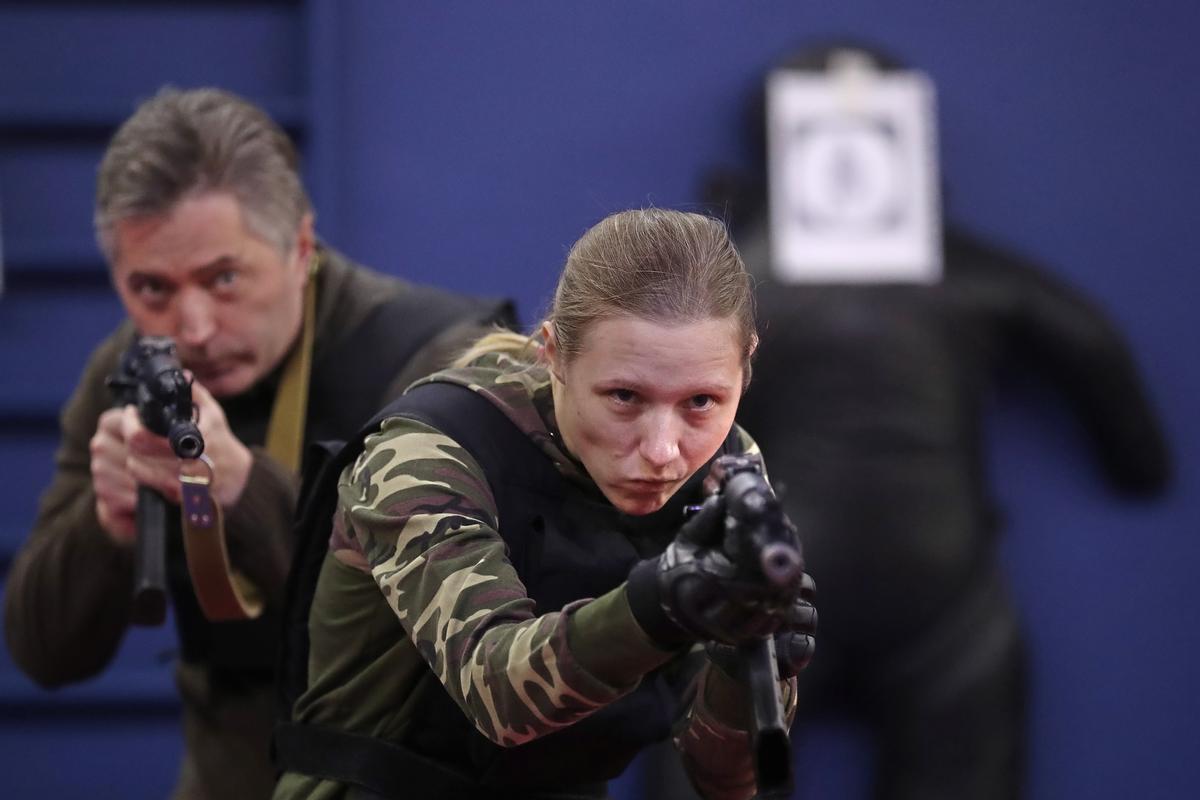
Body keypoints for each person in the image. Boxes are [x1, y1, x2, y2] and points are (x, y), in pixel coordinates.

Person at [3, 87, 516, 800]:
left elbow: (447, 645)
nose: (194, 327)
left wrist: (244, 489)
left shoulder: (434, 360)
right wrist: (107, 524)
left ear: (300, 247)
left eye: (224, 278)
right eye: (151, 288)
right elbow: (43, 651)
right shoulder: (130, 372)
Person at [271, 208, 818, 800]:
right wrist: (662, 602)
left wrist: (743, 663)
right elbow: (501, 697)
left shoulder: (726, 467)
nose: (663, 452)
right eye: (625, 397)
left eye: (703, 401)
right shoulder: (425, 452)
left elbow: (726, 779)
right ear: (553, 354)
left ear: (747, 365)